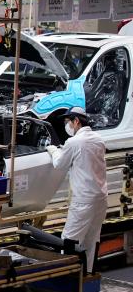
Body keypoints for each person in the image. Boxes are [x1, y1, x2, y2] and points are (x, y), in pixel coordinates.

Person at [46, 106, 108, 272]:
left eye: (68, 121)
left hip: (84, 200)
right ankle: (87, 275)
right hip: (101, 198)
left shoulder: (74, 142)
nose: (67, 125)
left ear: (77, 121)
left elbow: (60, 164)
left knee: (69, 239)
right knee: (91, 239)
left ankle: (67, 276)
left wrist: (53, 151)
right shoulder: (98, 139)